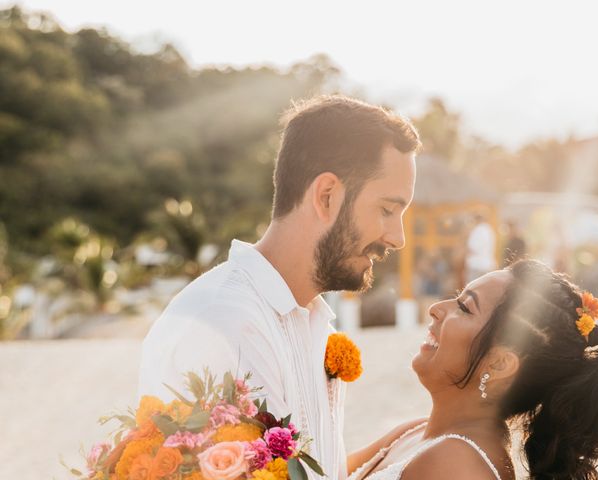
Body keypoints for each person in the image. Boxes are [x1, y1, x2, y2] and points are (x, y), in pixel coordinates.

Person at [138, 95, 422, 479]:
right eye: (387, 210)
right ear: (327, 196)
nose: (397, 238)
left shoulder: (317, 324)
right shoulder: (218, 324)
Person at [348, 259, 598, 480]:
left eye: (464, 308)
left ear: (499, 363)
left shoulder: (455, 465)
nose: (436, 308)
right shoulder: (415, 431)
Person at [465, 213, 497, 283]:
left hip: (477, 265)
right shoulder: (489, 230)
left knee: (472, 290)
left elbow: (472, 248)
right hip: (488, 265)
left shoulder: (477, 231)